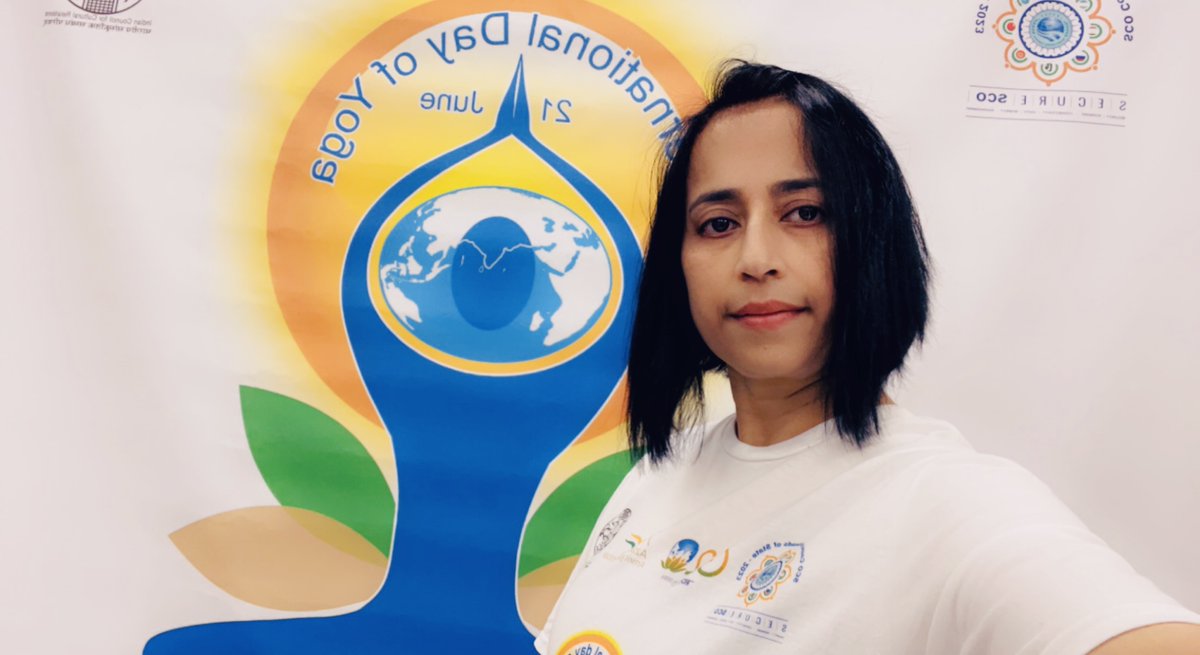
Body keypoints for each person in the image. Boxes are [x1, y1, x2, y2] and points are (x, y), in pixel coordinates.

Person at [534, 61, 1200, 654]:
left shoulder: (947, 504)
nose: (756, 259)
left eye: (805, 213)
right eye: (717, 223)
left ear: (873, 243)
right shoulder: (659, 470)